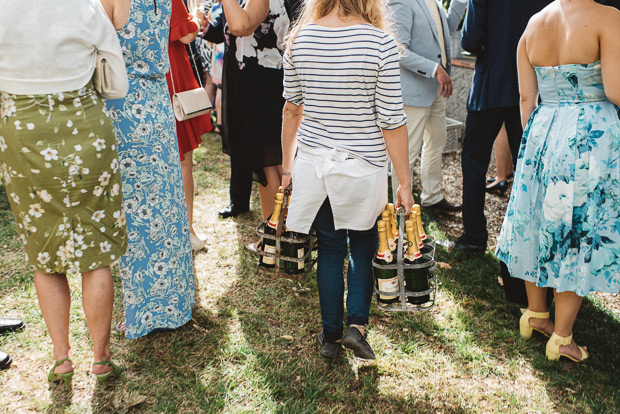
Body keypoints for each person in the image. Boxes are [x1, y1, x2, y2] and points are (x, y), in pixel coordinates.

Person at [0, 0, 129, 387]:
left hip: (23, 135)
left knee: (45, 253)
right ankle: (101, 359)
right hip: (86, 129)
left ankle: (61, 358)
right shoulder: (85, 6)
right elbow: (116, 81)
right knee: (96, 252)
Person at [282, 0, 414, 360]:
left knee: (330, 249)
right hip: (363, 167)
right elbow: (392, 120)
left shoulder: (299, 39)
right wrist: (405, 182)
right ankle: (357, 327)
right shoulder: (380, 43)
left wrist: (286, 165)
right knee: (363, 244)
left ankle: (330, 338)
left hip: (314, 166)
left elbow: (292, 108)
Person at [496, 0, 620, 362]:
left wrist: (535, 143)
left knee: (538, 222)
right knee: (578, 230)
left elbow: (525, 96)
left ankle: (536, 315)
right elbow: (614, 90)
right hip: (588, 138)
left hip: (542, 130)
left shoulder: (534, 23)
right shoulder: (609, 18)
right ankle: (562, 338)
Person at [105, 0, 196, 339]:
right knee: (168, 208)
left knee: (137, 214)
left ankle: (143, 313)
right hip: (158, 101)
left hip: (125, 105)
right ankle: (176, 304)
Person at [441, 0, 552, 252]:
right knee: (529, 164)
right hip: (533, 86)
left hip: (490, 84)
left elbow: (469, 41)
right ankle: (532, 237)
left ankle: (475, 236)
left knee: (473, 161)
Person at [201, 0, 287, 224]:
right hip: (247, 81)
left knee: (270, 163)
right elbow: (230, 29)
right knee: (265, 162)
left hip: (265, 83)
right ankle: (276, 232)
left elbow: (241, 26)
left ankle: (276, 234)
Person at [386, 0, 466, 213]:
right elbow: (398, 49)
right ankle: (400, 210)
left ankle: (432, 197)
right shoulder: (400, 1)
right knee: (406, 155)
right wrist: (434, 69)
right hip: (413, 93)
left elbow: (446, 31)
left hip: (435, 91)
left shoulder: (434, 3)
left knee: (436, 142)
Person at [166, 0, 214, 252]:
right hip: (170, 75)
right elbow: (186, 35)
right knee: (183, 159)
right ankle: (186, 229)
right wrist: (195, 17)